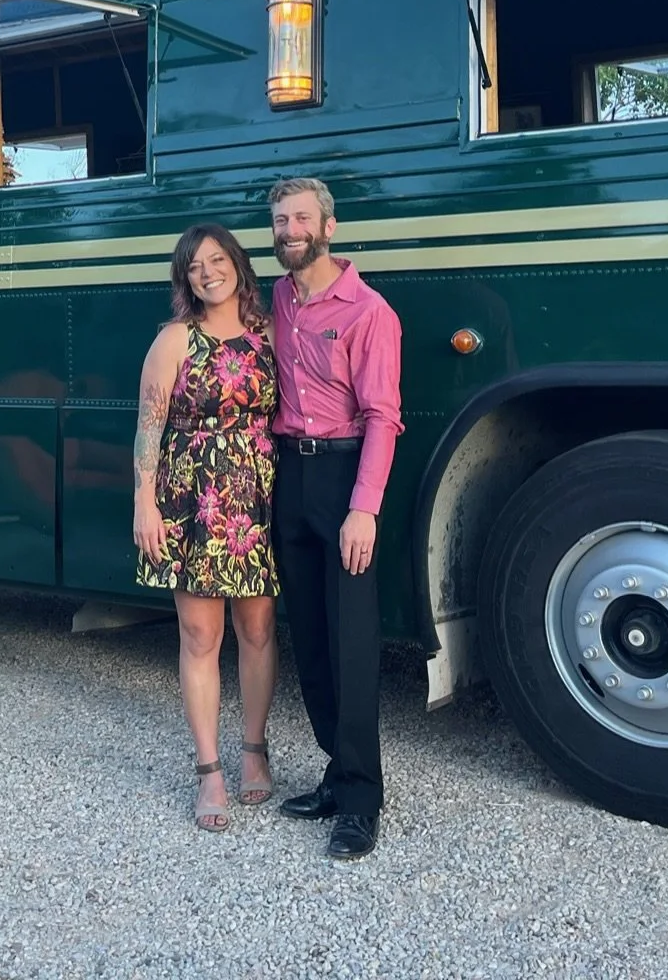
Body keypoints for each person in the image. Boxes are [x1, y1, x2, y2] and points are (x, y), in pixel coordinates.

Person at [266, 176, 402, 860]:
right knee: (311, 639)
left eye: (300, 218)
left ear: (328, 227)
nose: (289, 230)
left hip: (344, 479)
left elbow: (383, 417)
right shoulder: (279, 299)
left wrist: (363, 509)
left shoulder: (369, 311)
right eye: (279, 220)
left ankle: (360, 800)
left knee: (350, 643)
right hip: (290, 475)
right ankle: (334, 770)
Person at [133, 224, 281, 832]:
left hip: (256, 497)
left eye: (216, 260)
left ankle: (254, 751)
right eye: (194, 267)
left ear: (237, 265)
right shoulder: (174, 339)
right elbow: (149, 427)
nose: (207, 272)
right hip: (190, 499)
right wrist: (144, 502)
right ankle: (209, 770)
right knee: (199, 635)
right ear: (185, 280)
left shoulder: (269, 333)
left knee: (258, 629)